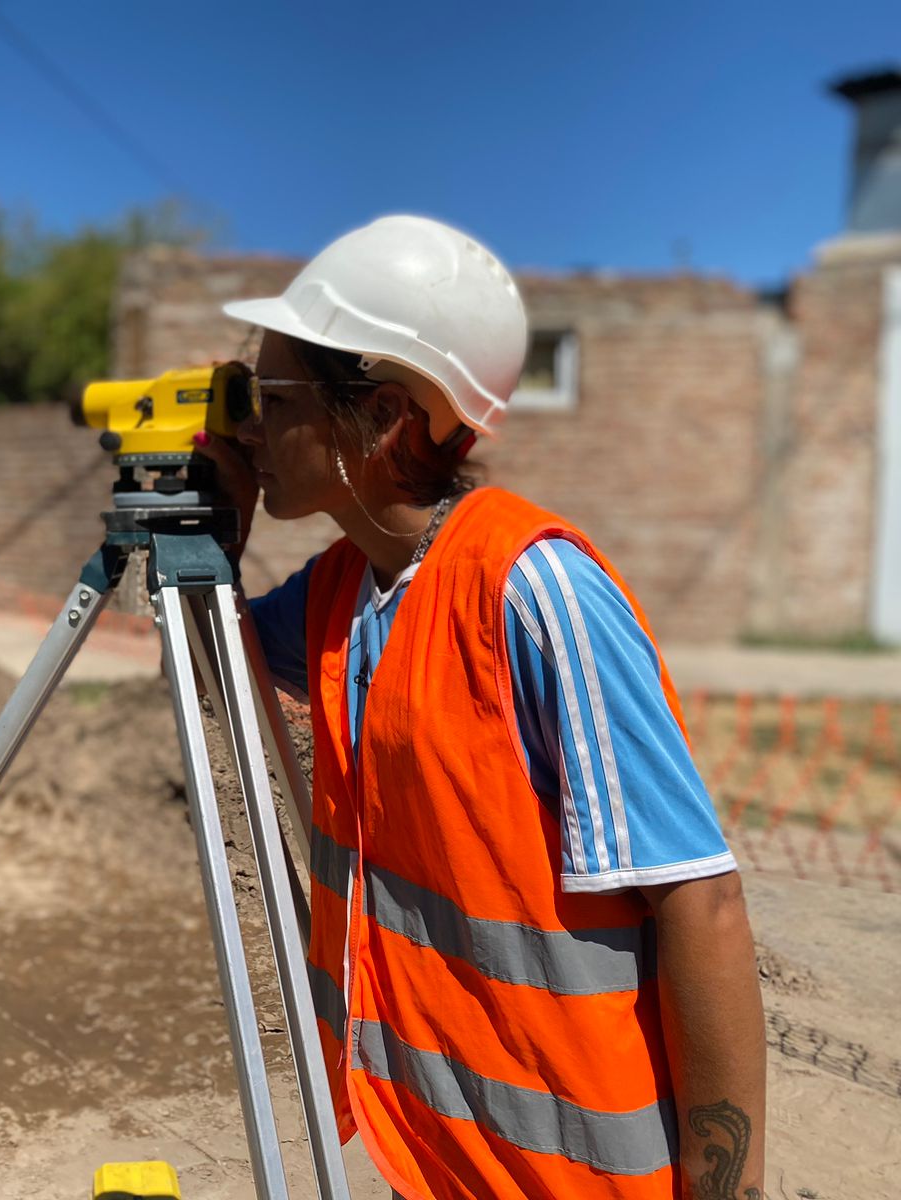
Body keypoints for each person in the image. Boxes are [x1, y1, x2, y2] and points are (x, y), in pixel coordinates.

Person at [193, 215, 766, 1200]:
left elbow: (701, 903)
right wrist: (209, 530)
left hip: (570, 1177)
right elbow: (215, 666)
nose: (247, 427)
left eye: (269, 397)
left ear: (380, 419)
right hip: (425, 1153)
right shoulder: (341, 590)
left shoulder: (533, 593)